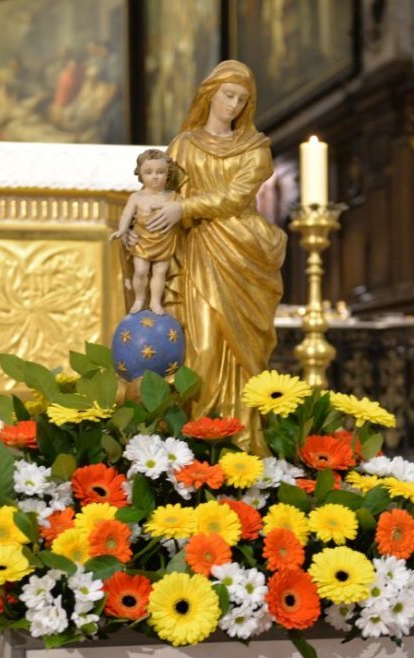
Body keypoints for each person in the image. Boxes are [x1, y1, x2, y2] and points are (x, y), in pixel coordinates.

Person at [140, 60, 287, 448]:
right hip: (197, 251)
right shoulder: (183, 146)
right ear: (210, 94)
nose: (233, 105)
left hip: (241, 254)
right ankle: (199, 445)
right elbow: (161, 196)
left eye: (241, 99)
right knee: (200, 348)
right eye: (228, 95)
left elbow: (237, 197)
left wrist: (184, 209)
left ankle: (244, 444)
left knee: (245, 353)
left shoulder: (256, 150)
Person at [110, 149, 178, 315]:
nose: (155, 177)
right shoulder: (137, 197)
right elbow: (127, 214)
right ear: (140, 174)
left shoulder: (173, 197)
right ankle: (139, 299)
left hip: (163, 240)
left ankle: (155, 301)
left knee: (160, 272)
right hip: (141, 240)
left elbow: (181, 214)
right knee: (140, 271)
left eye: (160, 172)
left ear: (168, 173)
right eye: (149, 172)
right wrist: (121, 230)